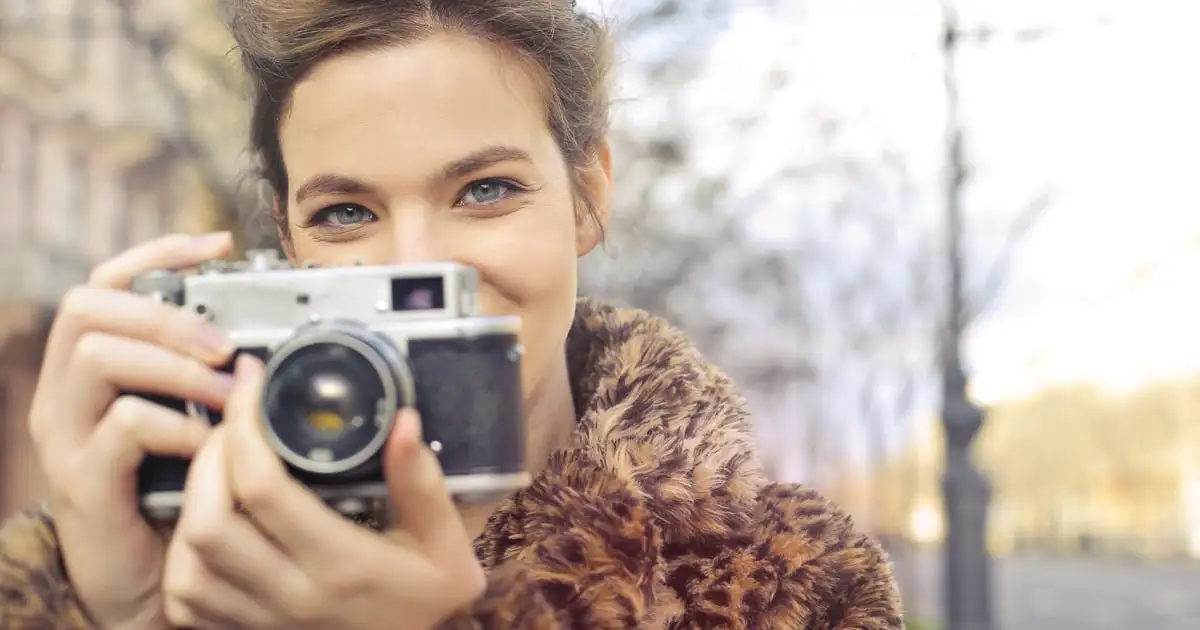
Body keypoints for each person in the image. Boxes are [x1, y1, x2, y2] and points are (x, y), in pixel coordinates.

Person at [0, 0, 903, 628]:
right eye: (345, 213)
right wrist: (110, 611)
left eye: (486, 189)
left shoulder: (790, 584)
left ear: (589, 197)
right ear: (285, 236)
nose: (414, 266)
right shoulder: (188, 555)